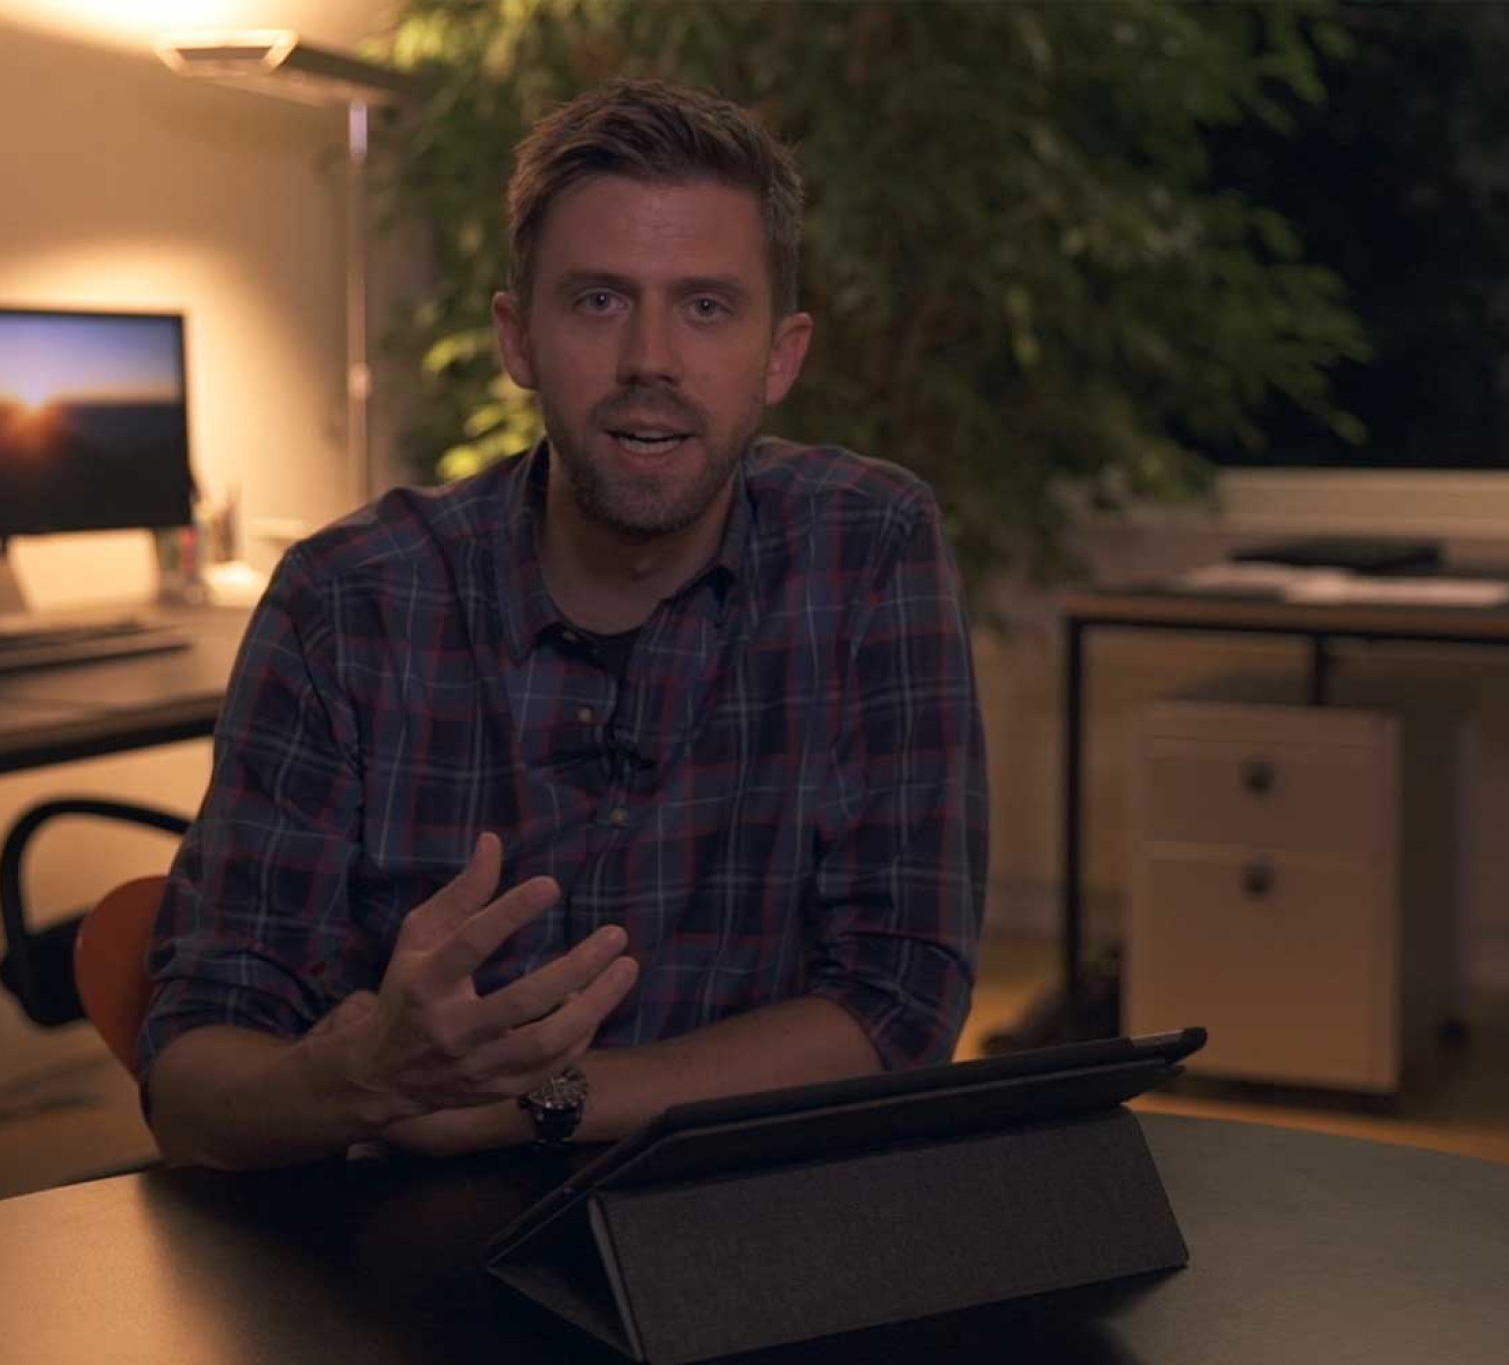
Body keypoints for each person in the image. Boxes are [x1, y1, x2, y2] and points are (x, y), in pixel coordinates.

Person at [141, 77, 987, 1170]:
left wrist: (532, 1102)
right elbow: (190, 1076)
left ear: (780, 355)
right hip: (407, 1247)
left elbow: (900, 1002)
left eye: (706, 306)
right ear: (518, 338)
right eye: (597, 301)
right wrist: (352, 1081)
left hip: (755, 1216)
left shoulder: (868, 547)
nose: (650, 360)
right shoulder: (348, 600)